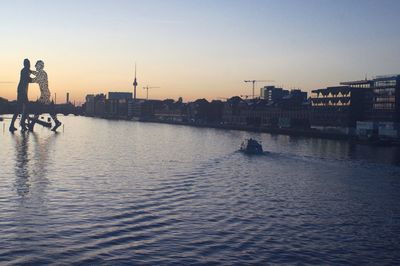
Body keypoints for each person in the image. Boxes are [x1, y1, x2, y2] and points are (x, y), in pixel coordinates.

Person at [29, 60, 61, 132]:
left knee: (38, 109)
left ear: (40, 66)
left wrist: (27, 78)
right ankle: (57, 122)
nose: (35, 66)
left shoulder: (42, 74)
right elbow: (36, 74)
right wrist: (30, 71)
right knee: (49, 110)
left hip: (45, 94)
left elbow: (34, 80)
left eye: (36, 65)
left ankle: (31, 125)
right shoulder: (42, 73)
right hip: (45, 93)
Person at [9, 59, 32, 132]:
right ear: (26, 64)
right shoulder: (25, 71)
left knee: (24, 108)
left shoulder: (26, 71)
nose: (29, 65)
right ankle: (15, 125)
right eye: (28, 63)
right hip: (22, 91)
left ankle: (20, 124)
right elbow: (28, 80)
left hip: (23, 91)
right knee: (20, 108)